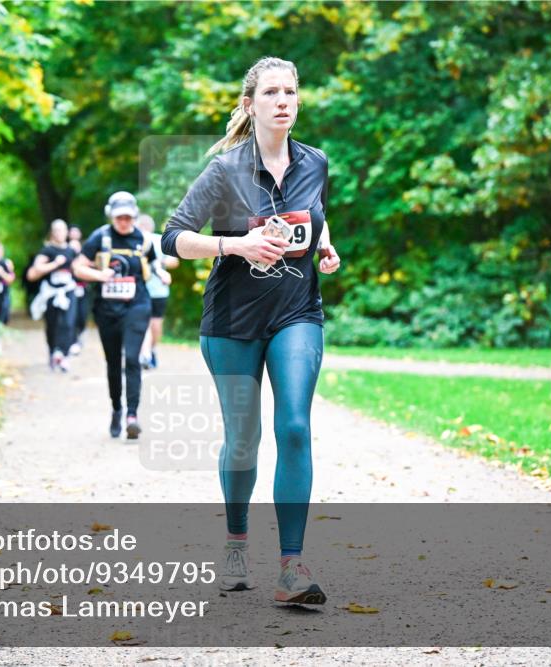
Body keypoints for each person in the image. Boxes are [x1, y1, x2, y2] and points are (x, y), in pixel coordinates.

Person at [160, 57, 342, 606]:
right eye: (271, 92)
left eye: (290, 91)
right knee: (244, 439)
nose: (282, 100)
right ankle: (237, 544)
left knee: (294, 426)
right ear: (250, 104)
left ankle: (292, 567)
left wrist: (325, 244)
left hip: (296, 312)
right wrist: (235, 245)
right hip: (232, 321)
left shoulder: (315, 162)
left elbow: (314, 212)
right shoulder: (225, 171)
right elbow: (173, 237)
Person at [72, 192, 156, 439]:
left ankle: (132, 415)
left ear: (135, 216)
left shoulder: (143, 239)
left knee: (132, 358)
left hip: (137, 304)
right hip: (107, 309)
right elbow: (78, 267)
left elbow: (153, 264)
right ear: (111, 216)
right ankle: (117, 409)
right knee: (113, 362)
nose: (124, 222)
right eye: (119, 217)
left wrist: (161, 273)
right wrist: (100, 275)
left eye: (128, 217)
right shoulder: (101, 237)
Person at [27, 219, 78, 372]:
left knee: (68, 323)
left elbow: (79, 267)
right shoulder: (47, 250)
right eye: (56, 230)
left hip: (68, 291)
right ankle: (53, 351)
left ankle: (64, 355)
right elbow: (36, 268)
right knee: (52, 324)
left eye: (62, 230)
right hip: (51, 292)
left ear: (66, 232)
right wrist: (55, 264)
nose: (59, 233)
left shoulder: (71, 250)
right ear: (52, 233)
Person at [136, 214, 178, 370]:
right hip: (156, 290)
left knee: (151, 324)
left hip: (152, 289)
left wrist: (155, 261)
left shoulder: (137, 240)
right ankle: (147, 353)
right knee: (152, 322)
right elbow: (174, 261)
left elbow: (174, 262)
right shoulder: (161, 240)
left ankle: (148, 352)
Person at [67, 224, 88, 355]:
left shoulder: (86, 248)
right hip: (69, 287)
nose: (74, 234)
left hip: (83, 287)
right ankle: (72, 341)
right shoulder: (64, 249)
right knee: (71, 315)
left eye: (76, 232)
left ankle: (80, 336)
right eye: (72, 232)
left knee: (82, 314)